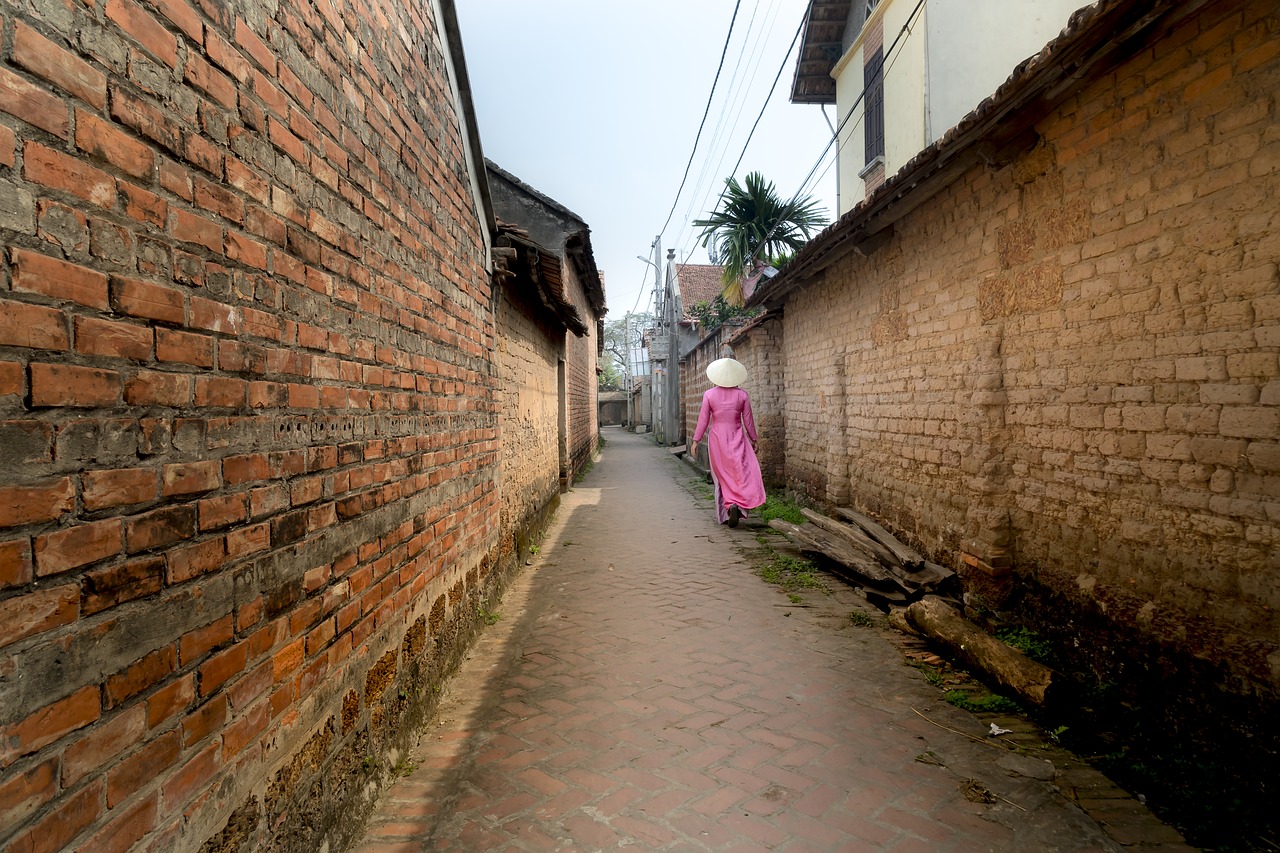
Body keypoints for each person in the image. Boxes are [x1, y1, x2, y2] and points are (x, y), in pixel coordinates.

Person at [688, 357, 766, 527]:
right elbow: (748, 421)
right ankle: (739, 504)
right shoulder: (742, 395)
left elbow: (703, 420)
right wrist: (754, 439)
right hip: (737, 436)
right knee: (741, 472)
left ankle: (728, 507)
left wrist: (696, 441)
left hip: (717, 439)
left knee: (722, 475)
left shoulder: (709, 395)